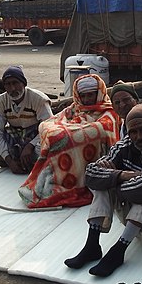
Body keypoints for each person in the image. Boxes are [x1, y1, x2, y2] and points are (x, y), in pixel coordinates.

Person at [64, 103, 142, 277]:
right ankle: (92, 245)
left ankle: (118, 251)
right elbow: (90, 176)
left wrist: (113, 178)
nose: (139, 136)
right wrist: (123, 175)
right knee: (105, 185)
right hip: (141, 222)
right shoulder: (126, 145)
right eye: (134, 132)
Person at [18, 74, 120, 208]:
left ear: (99, 93)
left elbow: (100, 130)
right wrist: (64, 130)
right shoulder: (75, 108)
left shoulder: (109, 112)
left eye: (90, 95)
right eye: (83, 96)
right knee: (51, 137)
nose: (86, 99)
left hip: (88, 156)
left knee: (62, 140)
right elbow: (51, 121)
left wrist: (68, 133)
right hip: (62, 149)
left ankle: (68, 184)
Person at [0, 66, 52, 174]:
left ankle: (28, 160)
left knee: (50, 145)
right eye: (8, 84)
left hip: (35, 138)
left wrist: (30, 146)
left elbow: (49, 127)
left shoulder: (38, 99)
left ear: (24, 83)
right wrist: (9, 160)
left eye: (15, 83)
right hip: (15, 138)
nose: (12, 89)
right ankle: (16, 161)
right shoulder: (0, 101)